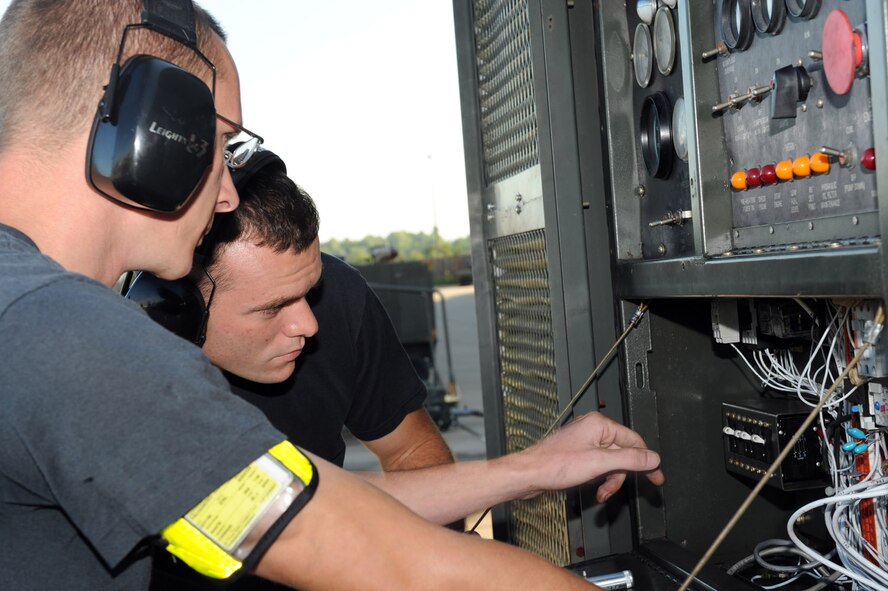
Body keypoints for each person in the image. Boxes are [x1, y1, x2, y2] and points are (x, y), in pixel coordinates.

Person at [0, 1, 663, 590]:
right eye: (221, 143)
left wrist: (531, 466)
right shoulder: (62, 333)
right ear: (151, 124)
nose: (227, 193)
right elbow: (393, 563)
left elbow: (311, 502)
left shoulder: (25, 311)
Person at [128, 146, 455, 475]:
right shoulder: (115, 380)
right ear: (177, 311)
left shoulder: (339, 296)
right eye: (272, 309)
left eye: (310, 291)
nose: (309, 325)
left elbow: (412, 450)